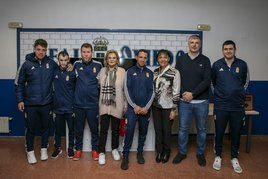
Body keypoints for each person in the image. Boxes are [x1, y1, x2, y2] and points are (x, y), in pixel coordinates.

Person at [15, 39, 57, 164]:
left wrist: (70, 66)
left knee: (46, 128)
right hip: (30, 103)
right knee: (31, 128)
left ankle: (44, 149)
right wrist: (20, 100)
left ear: (46, 51)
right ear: (34, 49)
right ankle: (30, 151)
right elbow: (18, 83)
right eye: (38, 49)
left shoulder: (51, 63)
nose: (41, 52)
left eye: (43, 50)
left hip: (47, 103)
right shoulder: (26, 64)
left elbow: (62, 69)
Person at [173, 35, 211, 167]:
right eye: (192, 42)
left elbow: (207, 81)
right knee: (183, 129)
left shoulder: (205, 60)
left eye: (197, 42)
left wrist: (193, 94)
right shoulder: (181, 59)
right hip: (184, 101)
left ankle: (200, 154)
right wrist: (184, 93)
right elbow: (177, 78)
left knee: (202, 129)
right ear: (188, 44)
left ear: (199, 45)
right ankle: (182, 152)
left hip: (201, 102)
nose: (194, 45)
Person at [211, 40, 249, 174]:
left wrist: (240, 93)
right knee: (219, 132)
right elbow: (213, 83)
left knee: (236, 133)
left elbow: (245, 82)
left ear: (235, 50)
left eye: (230, 49)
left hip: (237, 106)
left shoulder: (242, 65)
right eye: (226, 49)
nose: (228, 51)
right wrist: (219, 95)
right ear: (222, 51)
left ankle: (234, 157)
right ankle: (218, 156)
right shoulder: (216, 65)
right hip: (221, 106)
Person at [120, 49, 154, 170]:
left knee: (143, 132)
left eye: (145, 57)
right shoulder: (129, 71)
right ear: (136, 57)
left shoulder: (150, 73)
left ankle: (140, 153)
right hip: (132, 109)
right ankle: (125, 155)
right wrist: (135, 106)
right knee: (129, 132)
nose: (143, 59)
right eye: (141, 57)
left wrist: (145, 108)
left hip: (145, 110)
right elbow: (126, 90)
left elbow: (152, 92)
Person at [72, 43, 102, 161]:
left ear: (92, 52)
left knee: (94, 129)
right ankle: (78, 149)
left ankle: (95, 150)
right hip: (78, 104)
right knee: (78, 129)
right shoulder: (76, 64)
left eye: (88, 52)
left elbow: (101, 83)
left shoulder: (98, 65)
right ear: (81, 53)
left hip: (93, 104)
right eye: (84, 52)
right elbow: (72, 82)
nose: (86, 54)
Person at [98, 49, 127, 165]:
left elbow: (125, 90)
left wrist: (125, 105)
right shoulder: (101, 71)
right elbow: (95, 85)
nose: (111, 60)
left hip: (117, 105)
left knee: (115, 130)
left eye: (114, 58)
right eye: (109, 58)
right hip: (104, 105)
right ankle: (101, 152)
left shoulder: (122, 71)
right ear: (106, 59)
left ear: (117, 60)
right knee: (103, 130)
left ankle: (115, 149)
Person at [152, 49, 180, 163]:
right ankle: (159, 151)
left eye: (165, 57)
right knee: (158, 130)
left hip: (168, 106)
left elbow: (176, 91)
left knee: (166, 130)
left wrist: (174, 109)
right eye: (160, 57)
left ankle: (166, 151)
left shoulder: (174, 72)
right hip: (156, 106)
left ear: (168, 59)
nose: (162, 59)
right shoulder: (155, 71)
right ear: (157, 59)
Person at [51, 51, 76, 159]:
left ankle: (70, 148)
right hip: (57, 107)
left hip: (70, 107)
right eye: (61, 60)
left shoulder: (72, 72)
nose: (63, 62)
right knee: (57, 130)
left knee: (71, 129)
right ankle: (57, 148)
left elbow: (77, 88)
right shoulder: (53, 71)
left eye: (66, 60)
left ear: (68, 60)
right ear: (58, 60)